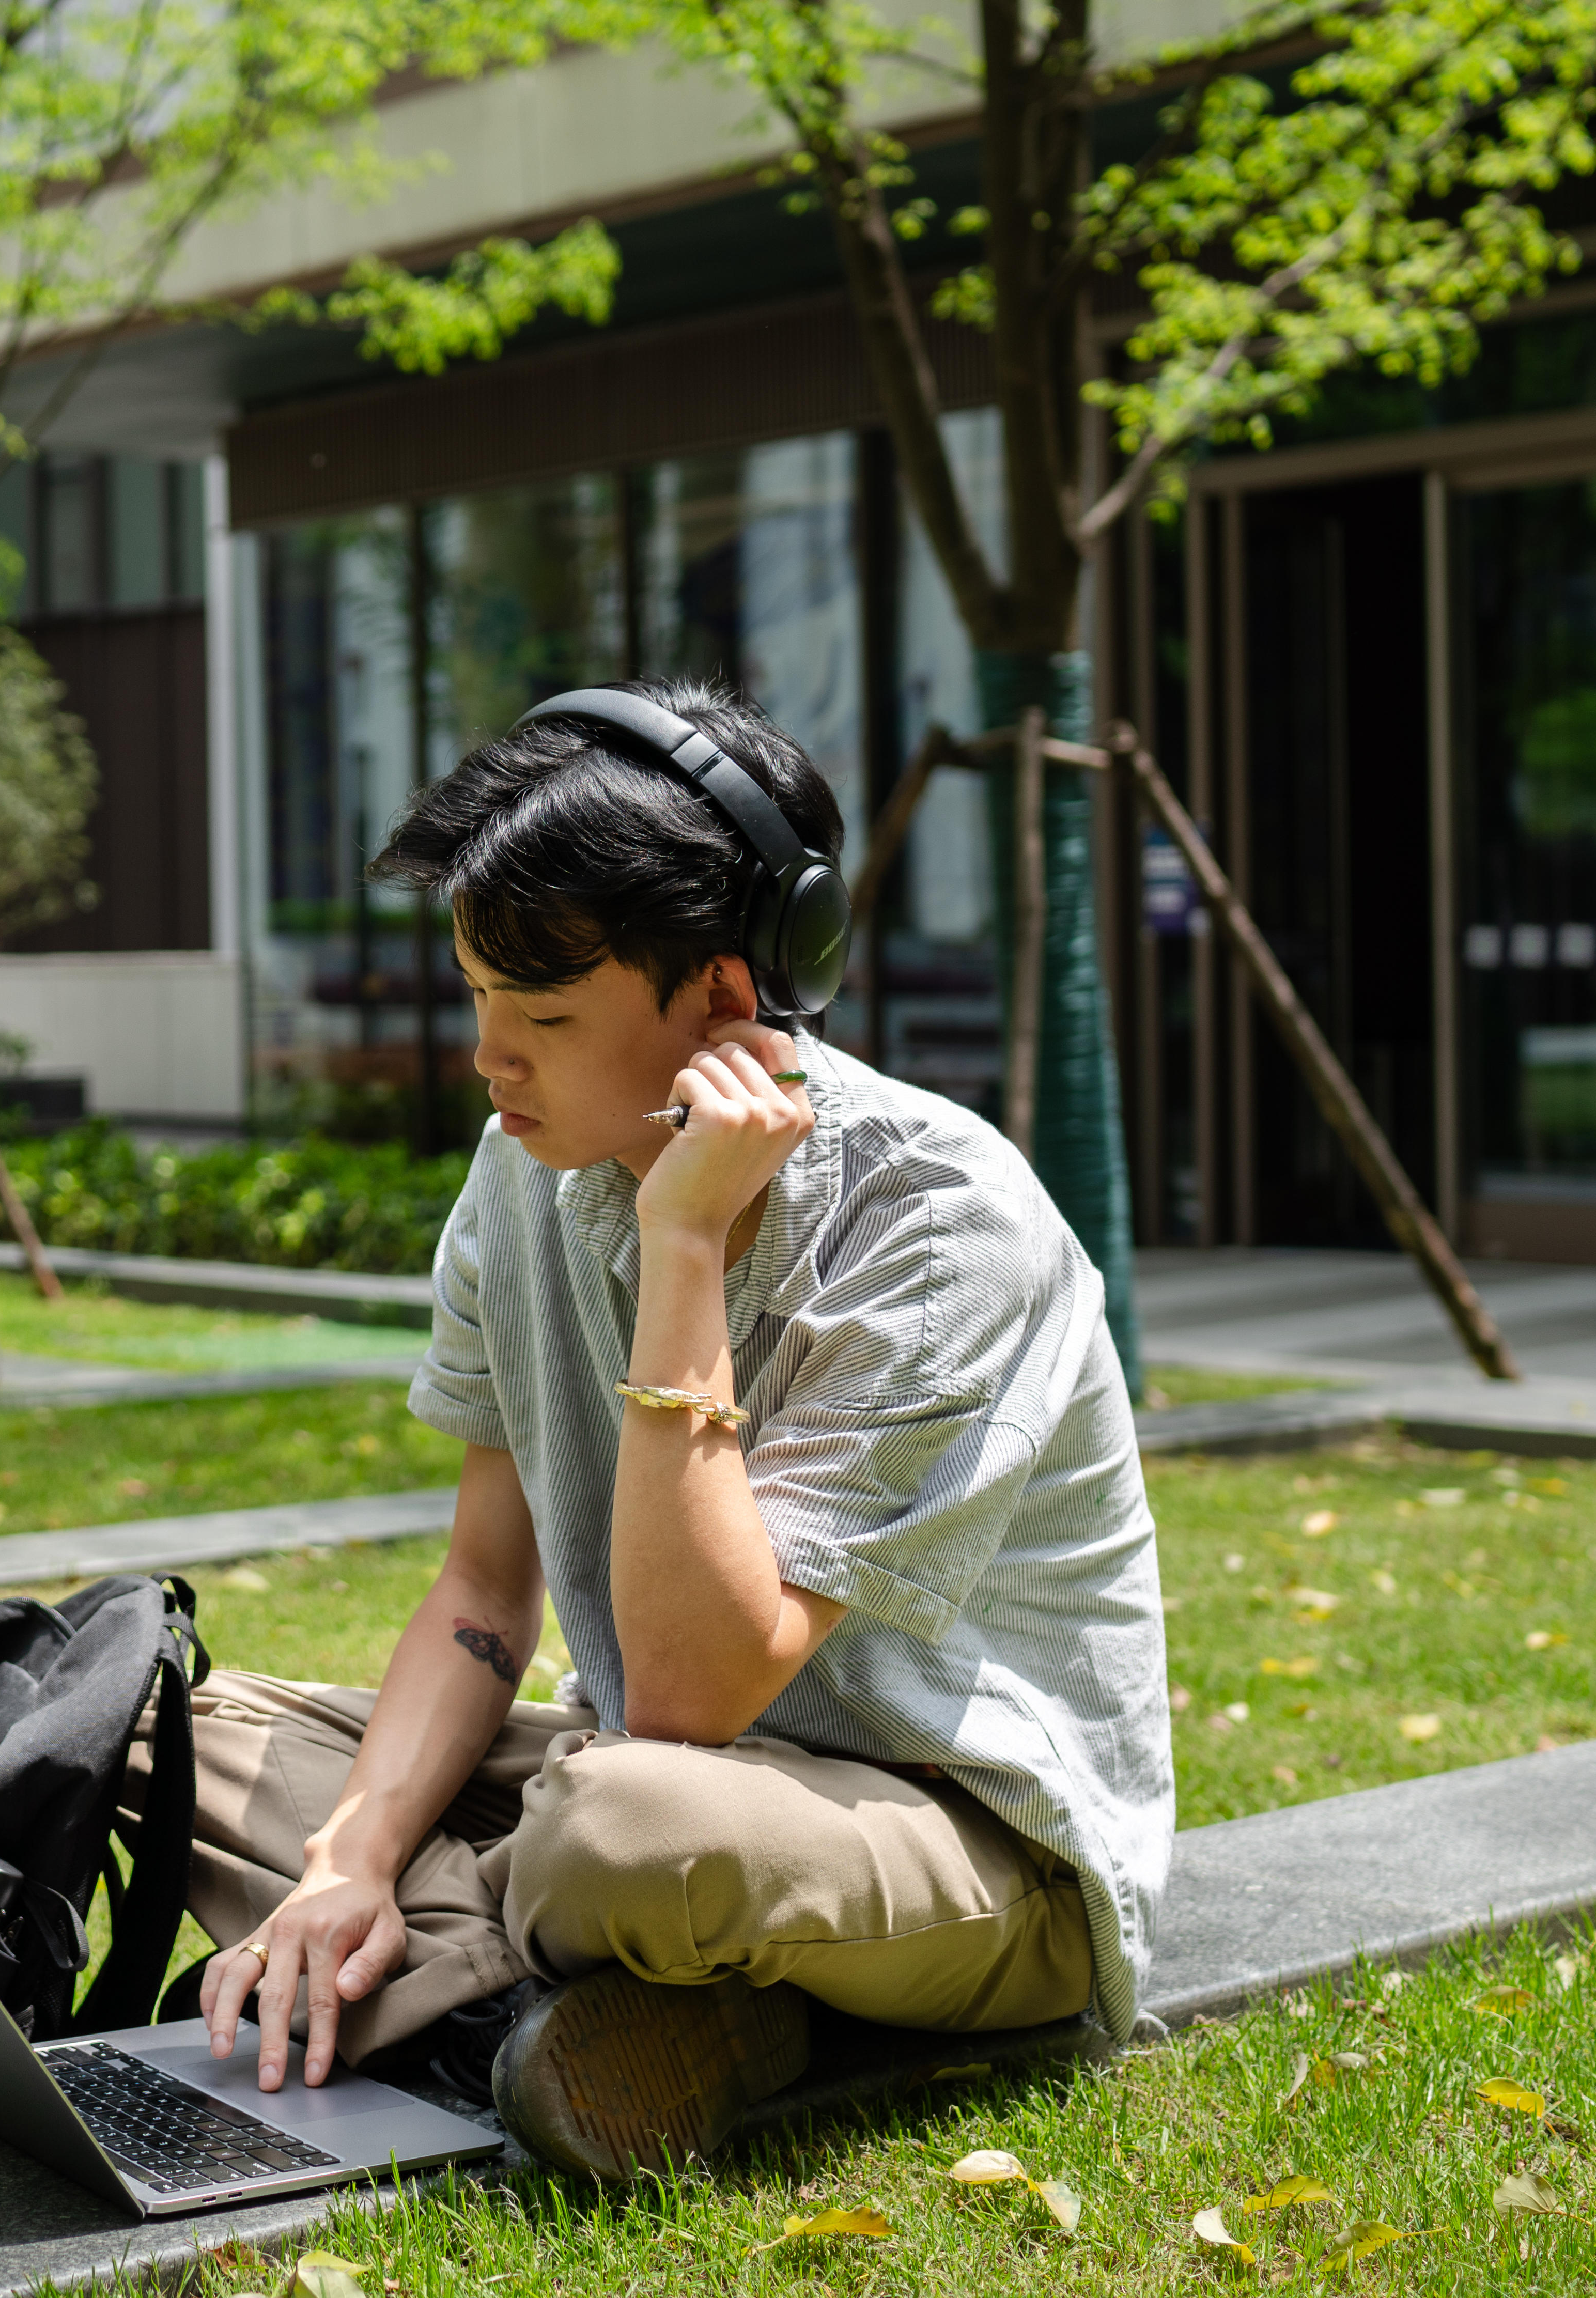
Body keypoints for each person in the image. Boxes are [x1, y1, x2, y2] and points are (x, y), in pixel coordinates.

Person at [122, 678, 1168, 2184]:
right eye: (480, 998)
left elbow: (688, 1687)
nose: (492, 1061)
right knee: (164, 1730)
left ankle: (481, 1979)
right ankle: (587, 2004)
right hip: (642, 1771)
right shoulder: (520, 1170)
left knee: (616, 1834)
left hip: (966, 1844)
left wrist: (682, 1250)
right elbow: (486, 1590)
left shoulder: (942, 1226)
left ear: (730, 1002)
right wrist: (348, 1850)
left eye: (542, 1014)